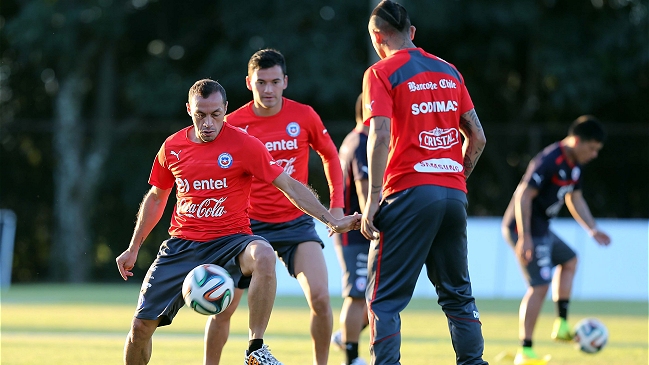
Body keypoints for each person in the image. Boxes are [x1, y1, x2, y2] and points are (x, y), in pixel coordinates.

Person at [115, 79, 361, 365]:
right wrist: (133, 248)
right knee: (140, 329)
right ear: (188, 110)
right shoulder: (172, 147)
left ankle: (255, 348)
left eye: (215, 114)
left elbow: (290, 186)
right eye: (200, 115)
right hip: (183, 244)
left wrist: (331, 218)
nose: (208, 122)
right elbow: (157, 198)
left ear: (225, 109)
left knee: (263, 254)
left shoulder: (244, 144)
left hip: (232, 240)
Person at [359, 1, 489, 365]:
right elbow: (477, 137)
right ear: (412, 33)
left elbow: (380, 135)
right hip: (452, 193)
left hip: (408, 192)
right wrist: (455, 179)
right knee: (458, 294)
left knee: (384, 298)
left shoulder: (380, 73)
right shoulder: (449, 71)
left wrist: (371, 201)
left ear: (376, 37)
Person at [204, 49, 345, 365]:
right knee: (223, 307)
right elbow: (212, 174)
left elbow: (331, 156)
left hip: (296, 222)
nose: (268, 89)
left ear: (285, 82)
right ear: (248, 83)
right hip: (247, 227)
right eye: (261, 82)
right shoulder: (233, 124)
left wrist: (336, 206)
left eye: (274, 81)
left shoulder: (305, 115)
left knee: (321, 298)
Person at [501, 115, 611, 365]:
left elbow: (575, 198)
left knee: (570, 260)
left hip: (541, 230)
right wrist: (525, 237)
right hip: (523, 229)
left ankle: (561, 324)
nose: (594, 154)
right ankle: (525, 351)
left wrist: (592, 229)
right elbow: (523, 196)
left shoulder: (575, 165)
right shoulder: (549, 160)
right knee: (539, 286)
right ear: (577, 140)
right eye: (592, 148)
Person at [331, 94, 371, 365]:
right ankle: (352, 357)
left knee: (372, 297)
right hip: (357, 231)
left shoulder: (351, 140)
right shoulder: (361, 142)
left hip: (360, 231)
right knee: (357, 295)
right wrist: (375, 220)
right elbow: (363, 187)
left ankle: (345, 336)